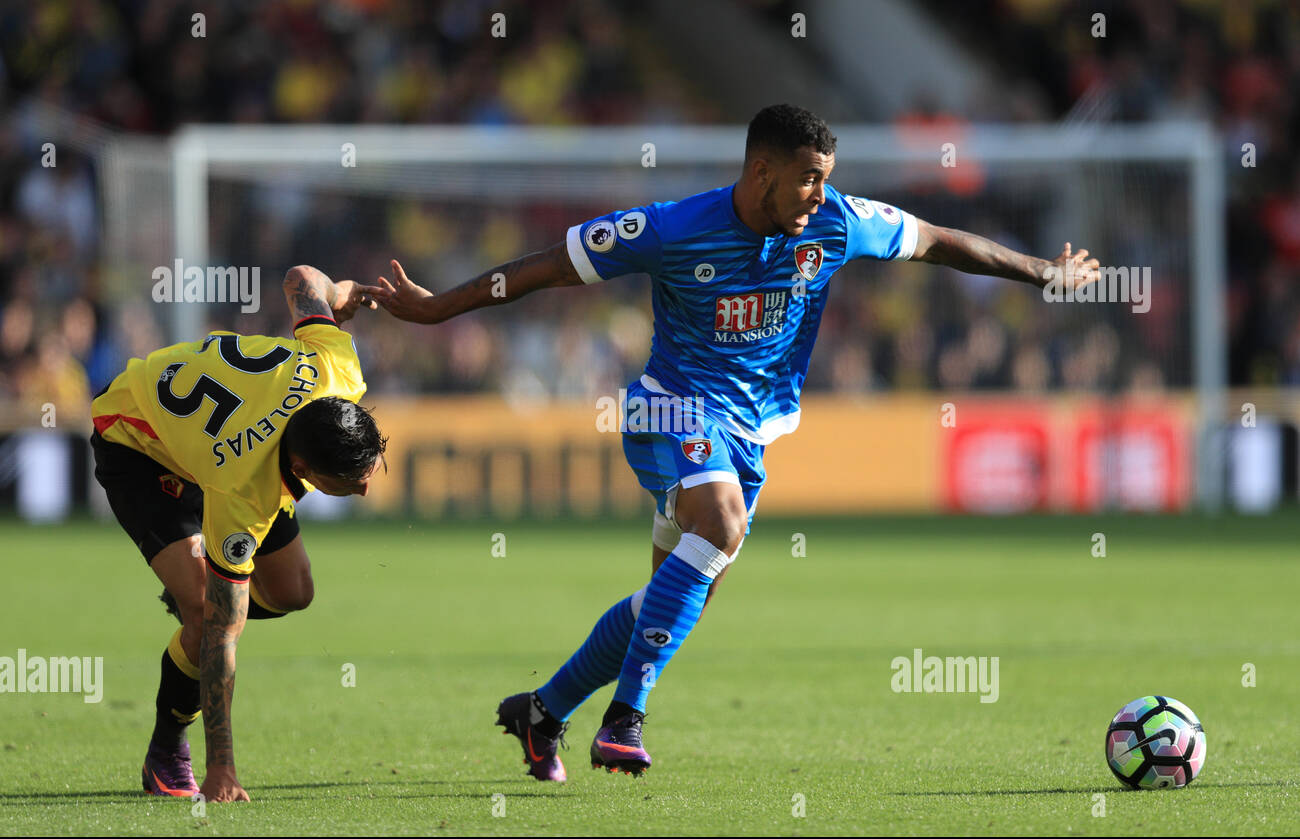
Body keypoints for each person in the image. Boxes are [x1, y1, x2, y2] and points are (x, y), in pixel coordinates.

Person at [364, 103, 1100, 779]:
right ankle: (624, 719)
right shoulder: (674, 228)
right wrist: (435, 310)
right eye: (809, 179)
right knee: (720, 526)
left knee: (671, 598)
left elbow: (937, 242)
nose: (819, 194)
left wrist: (1044, 273)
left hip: (747, 435)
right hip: (667, 411)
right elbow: (543, 270)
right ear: (762, 172)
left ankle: (542, 710)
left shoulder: (837, 224)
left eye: (825, 180)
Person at [91, 265, 386, 802]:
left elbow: (299, 277)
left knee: (294, 592)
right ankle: (165, 749)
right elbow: (224, 638)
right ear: (303, 467)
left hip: (218, 438)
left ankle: (191, 588)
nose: (363, 492)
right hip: (137, 441)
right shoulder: (243, 494)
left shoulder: (337, 367)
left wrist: (339, 293)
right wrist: (222, 767)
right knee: (209, 614)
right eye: (348, 483)